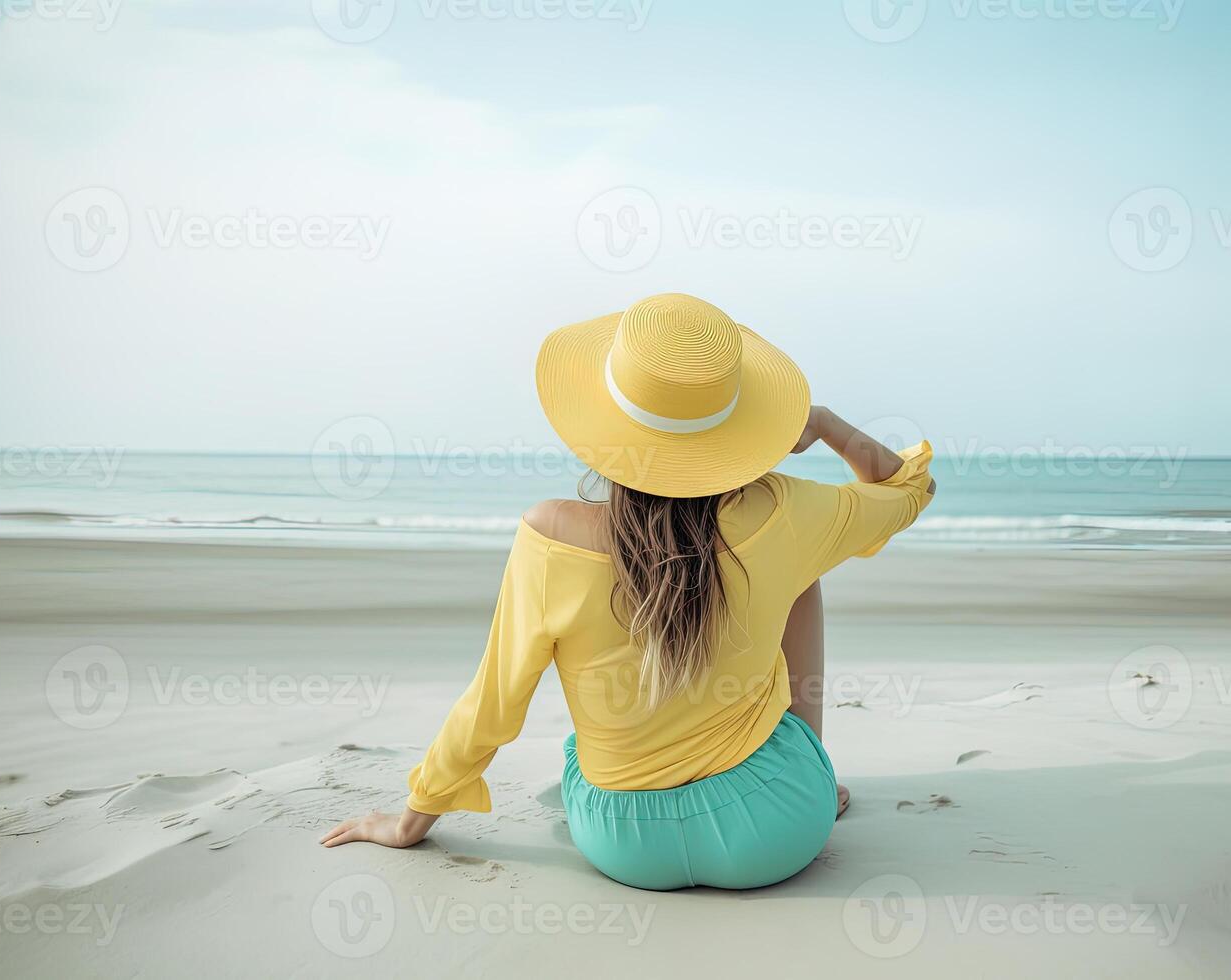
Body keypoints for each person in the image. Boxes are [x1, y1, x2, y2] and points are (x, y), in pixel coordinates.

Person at [322, 293, 935, 890]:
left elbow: (496, 699)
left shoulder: (551, 535)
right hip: (778, 831)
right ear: (739, 423)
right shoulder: (786, 511)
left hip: (622, 842)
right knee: (802, 575)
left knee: (582, 746)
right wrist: (825, 424)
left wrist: (412, 819)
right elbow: (911, 488)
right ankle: (816, 776)